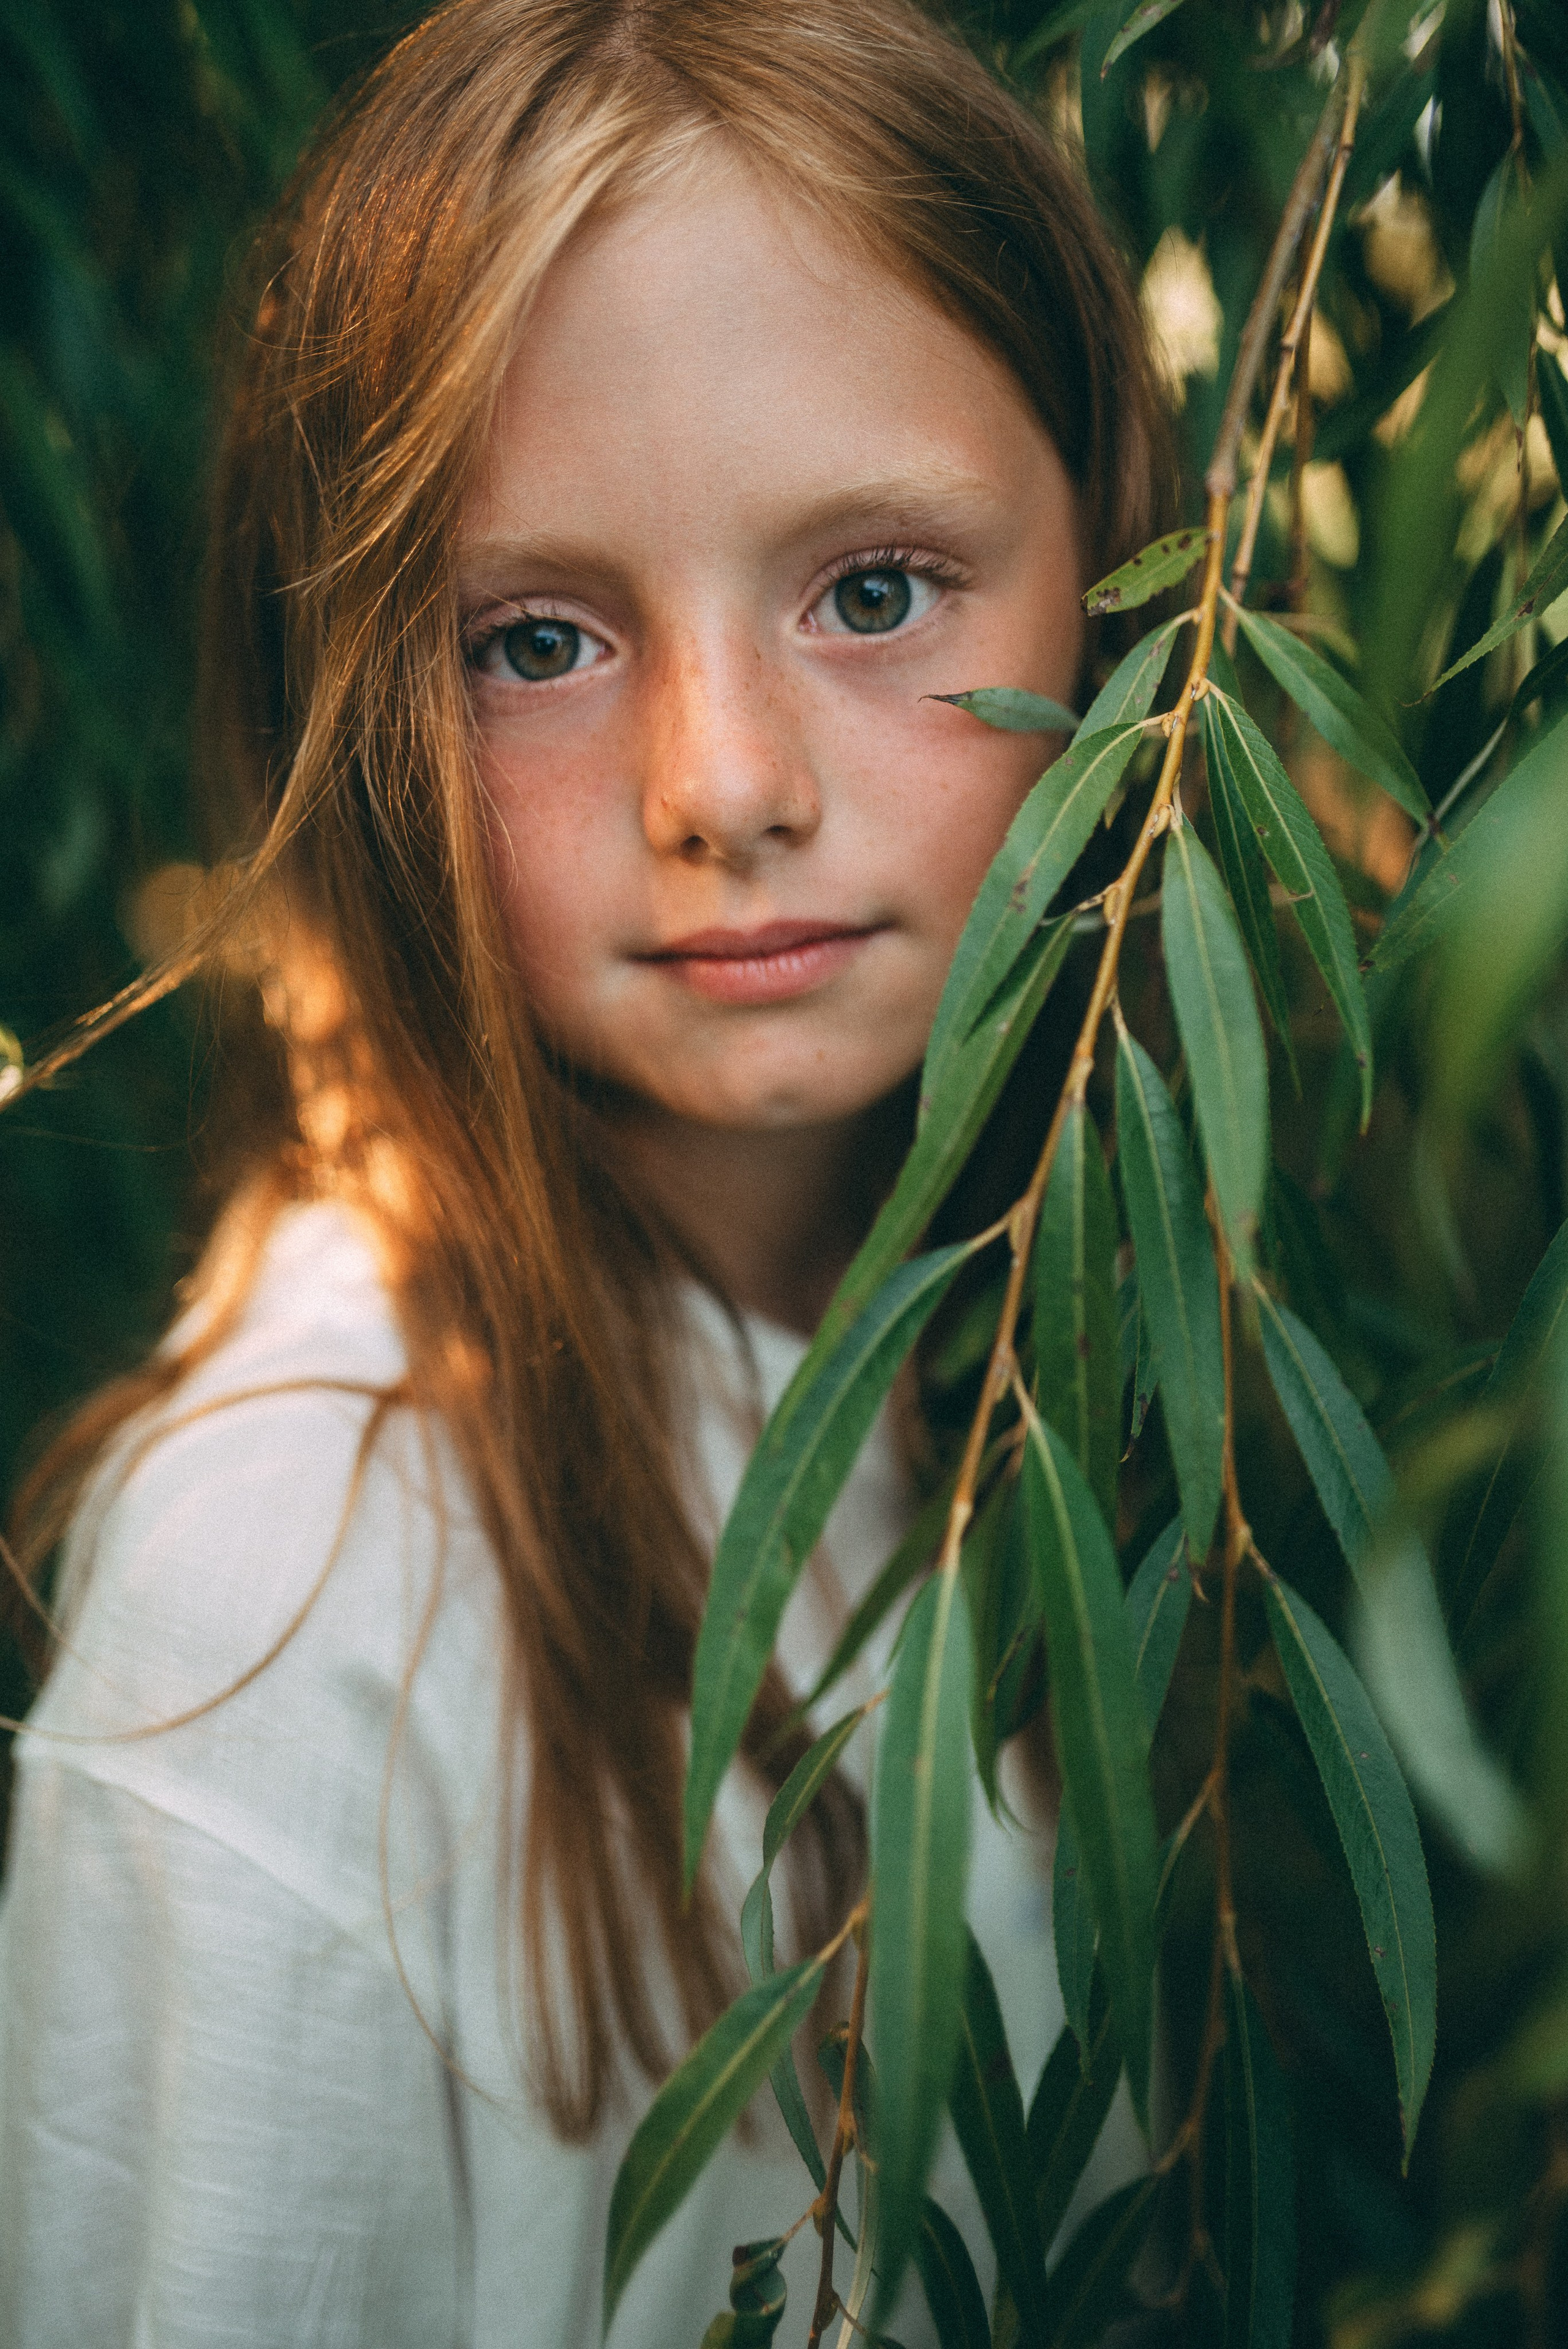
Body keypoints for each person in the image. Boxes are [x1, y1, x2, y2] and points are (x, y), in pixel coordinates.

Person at [0, 2, 1170, 2340]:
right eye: (535, 639)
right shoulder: (289, 1590)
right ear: (356, 704)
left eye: (871, 592)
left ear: (1136, 592)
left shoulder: (1080, 1360)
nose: (720, 781)